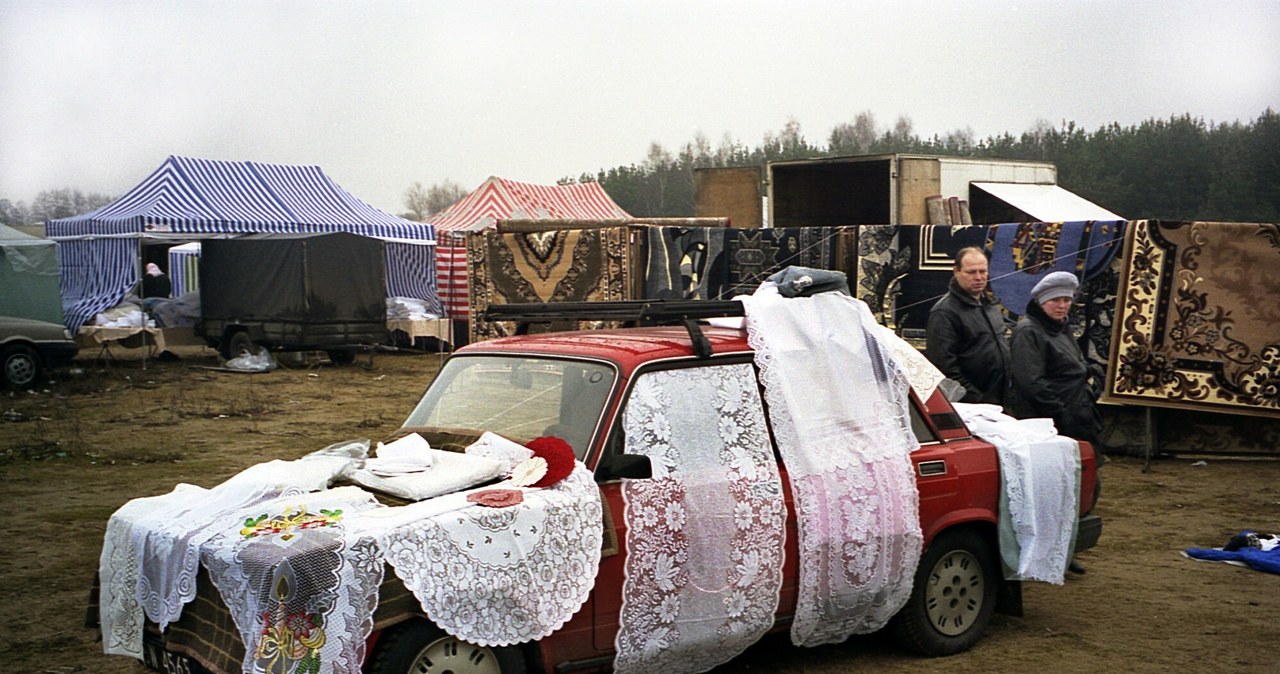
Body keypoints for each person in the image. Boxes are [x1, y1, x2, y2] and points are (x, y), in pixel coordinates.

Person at [1009, 270, 1102, 576]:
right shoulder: (1029, 332)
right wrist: (1060, 413)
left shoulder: (1059, 328)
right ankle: (1052, 553)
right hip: (1052, 424)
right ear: (1042, 301)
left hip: (1078, 417)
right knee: (1054, 491)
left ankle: (1066, 548)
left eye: (1066, 299)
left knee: (1082, 487)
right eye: (1056, 300)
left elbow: (1069, 365)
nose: (1063, 305)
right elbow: (1030, 382)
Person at [925, 247, 1011, 405]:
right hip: (974, 407)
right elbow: (944, 367)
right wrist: (977, 400)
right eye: (971, 272)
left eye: (983, 271)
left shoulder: (991, 306)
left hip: (1002, 401)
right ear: (956, 271)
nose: (979, 277)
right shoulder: (945, 312)